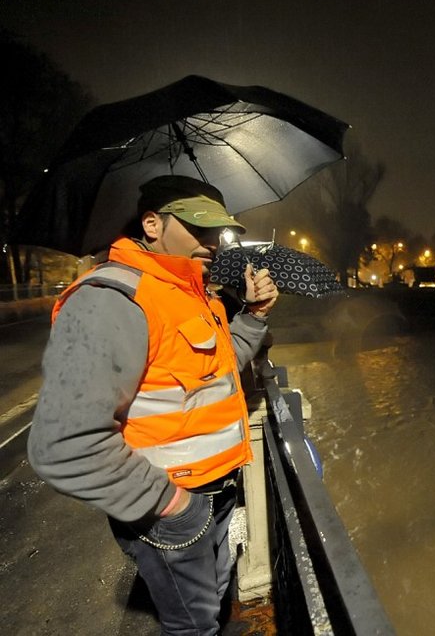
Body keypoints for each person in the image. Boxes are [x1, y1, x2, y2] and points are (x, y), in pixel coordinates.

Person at [27, 175, 279, 635]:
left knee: (215, 600)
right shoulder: (110, 299)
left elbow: (215, 374)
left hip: (218, 489)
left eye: (216, 231)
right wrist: (173, 505)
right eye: (197, 228)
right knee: (190, 626)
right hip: (171, 507)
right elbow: (63, 443)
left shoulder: (191, 293)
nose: (211, 242)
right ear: (151, 224)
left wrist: (253, 316)